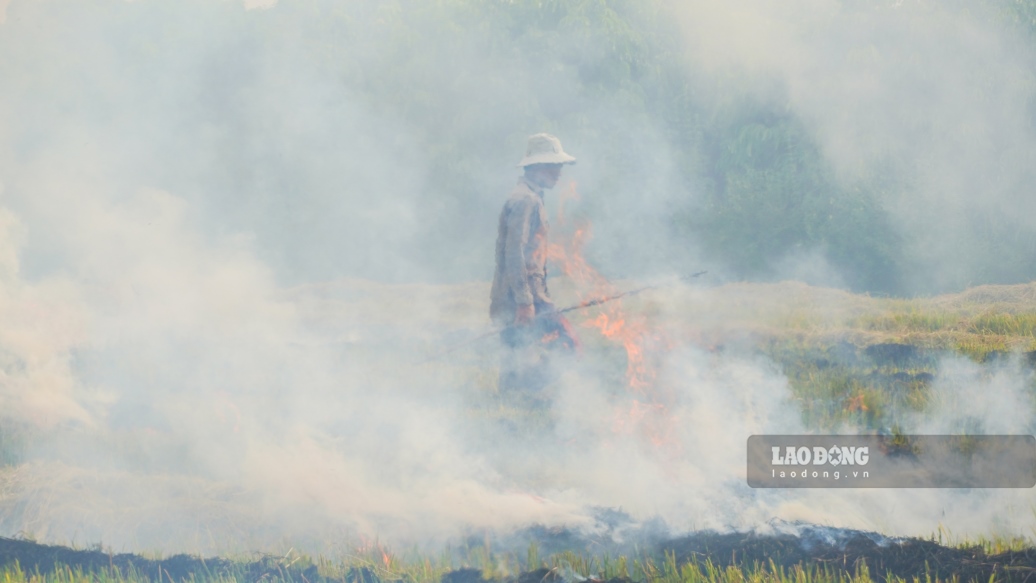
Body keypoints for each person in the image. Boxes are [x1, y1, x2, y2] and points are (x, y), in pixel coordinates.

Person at [489, 133, 581, 396]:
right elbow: (514, 253)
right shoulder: (525, 200)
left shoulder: (530, 197)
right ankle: (519, 396)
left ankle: (514, 400)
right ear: (539, 167)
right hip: (522, 299)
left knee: (513, 358)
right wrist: (525, 302)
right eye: (555, 165)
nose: (560, 172)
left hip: (522, 297)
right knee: (569, 346)